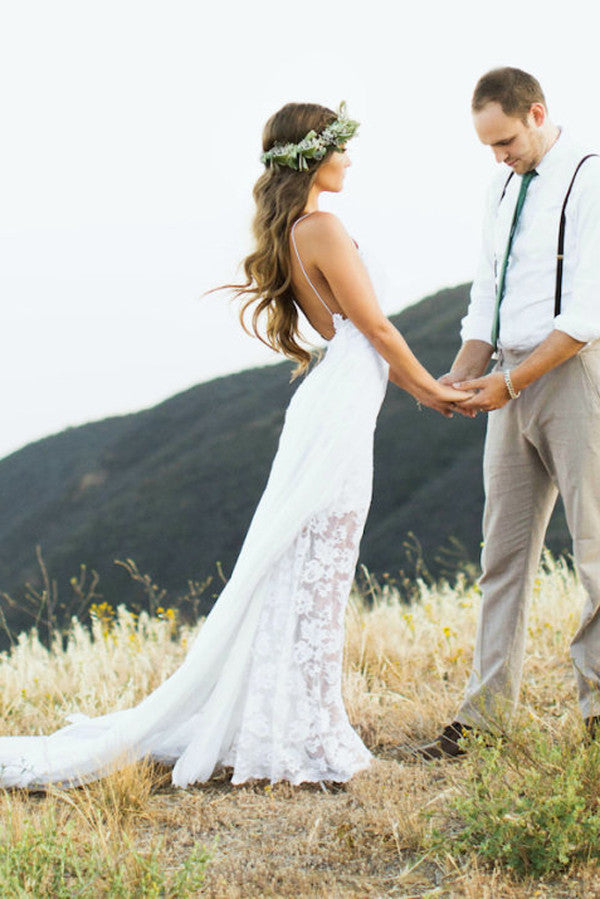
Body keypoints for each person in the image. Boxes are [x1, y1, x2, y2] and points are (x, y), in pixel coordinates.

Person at [0, 101, 468, 790]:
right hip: (337, 407)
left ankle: (298, 715)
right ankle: (298, 726)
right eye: (340, 146)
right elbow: (377, 328)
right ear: (314, 154)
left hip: (336, 398)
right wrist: (432, 390)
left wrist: (419, 387)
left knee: (312, 563)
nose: (349, 158)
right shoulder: (324, 226)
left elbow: (366, 337)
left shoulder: (296, 229)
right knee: (317, 562)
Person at [418, 67, 600, 761]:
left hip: (575, 372)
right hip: (508, 376)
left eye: (505, 140)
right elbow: (487, 293)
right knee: (503, 555)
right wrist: (464, 373)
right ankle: (484, 718)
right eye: (488, 146)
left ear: (536, 112)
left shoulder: (589, 176)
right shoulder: (499, 185)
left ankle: (597, 710)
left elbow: (588, 311)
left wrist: (512, 381)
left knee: (595, 551)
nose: (499, 155)